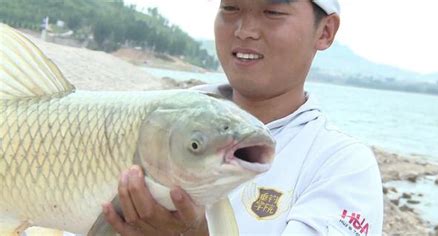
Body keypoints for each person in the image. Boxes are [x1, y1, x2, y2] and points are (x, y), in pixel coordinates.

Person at [103, 0, 384, 235]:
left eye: (272, 12)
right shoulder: (153, 119)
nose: (245, 30)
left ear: (325, 31)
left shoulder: (341, 164)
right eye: (231, 8)